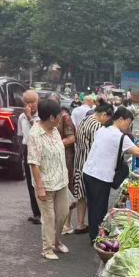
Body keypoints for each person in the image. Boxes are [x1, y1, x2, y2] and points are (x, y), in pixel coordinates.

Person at [82, 106, 139, 241]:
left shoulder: (103, 130)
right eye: (128, 122)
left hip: (88, 172)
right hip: (100, 176)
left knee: (93, 205)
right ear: (121, 119)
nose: (129, 126)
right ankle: (97, 237)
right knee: (99, 207)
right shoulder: (120, 137)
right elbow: (138, 152)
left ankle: (94, 233)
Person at [27, 97, 72, 261]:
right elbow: (34, 163)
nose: (61, 117)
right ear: (52, 117)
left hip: (61, 181)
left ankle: (56, 241)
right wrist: (40, 187)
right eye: (59, 115)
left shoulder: (55, 130)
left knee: (63, 214)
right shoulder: (35, 134)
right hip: (46, 184)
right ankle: (47, 249)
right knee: (49, 218)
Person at [72, 100, 113, 233]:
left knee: (81, 196)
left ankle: (80, 224)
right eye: (108, 118)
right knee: (93, 198)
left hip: (79, 161)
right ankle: (95, 226)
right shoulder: (97, 126)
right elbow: (101, 147)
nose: (108, 122)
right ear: (103, 114)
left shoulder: (86, 119)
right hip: (90, 166)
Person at [50, 92, 78, 235]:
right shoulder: (48, 118)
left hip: (66, 158)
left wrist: (55, 145)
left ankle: (67, 223)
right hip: (52, 159)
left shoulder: (65, 117)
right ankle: (58, 222)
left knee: (67, 189)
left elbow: (72, 138)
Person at [17, 89, 41, 224]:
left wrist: (30, 118)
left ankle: (43, 213)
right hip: (27, 149)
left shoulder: (41, 116)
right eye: (27, 102)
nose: (31, 105)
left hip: (39, 150)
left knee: (39, 182)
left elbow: (40, 133)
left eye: (33, 102)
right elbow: (20, 135)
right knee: (30, 183)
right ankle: (36, 213)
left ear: (38, 101)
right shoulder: (21, 117)